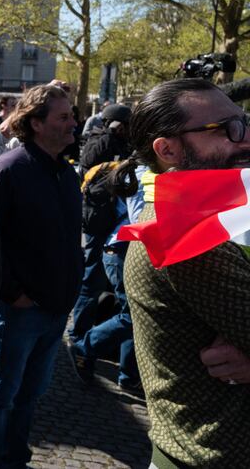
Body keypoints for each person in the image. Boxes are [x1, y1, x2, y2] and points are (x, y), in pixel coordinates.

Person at [114, 78, 250, 465]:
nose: (246, 138)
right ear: (168, 149)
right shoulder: (180, 232)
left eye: (245, 122)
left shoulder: (225, 209)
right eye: (227, 129)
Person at [0, 83, 82, 469]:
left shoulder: (64, 173)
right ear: (37, 123)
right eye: (64, 116)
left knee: (31, 393)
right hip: (20, 311)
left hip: (55, 310)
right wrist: (12, 293)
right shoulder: (9, 170)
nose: (74, 123)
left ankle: (15, 458)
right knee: (1, 394)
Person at [69, 103, 133, 347]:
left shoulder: (112, 143)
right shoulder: (102, 144)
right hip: (99, 219)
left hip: (105, 218)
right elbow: (97, 182)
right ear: (117, 125)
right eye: (126, 125)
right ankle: (78, 336)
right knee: (92, 279)